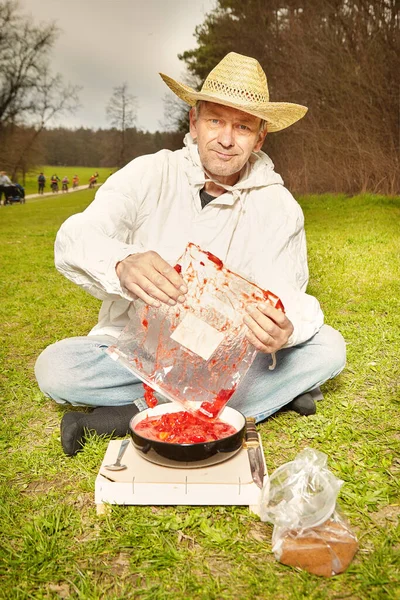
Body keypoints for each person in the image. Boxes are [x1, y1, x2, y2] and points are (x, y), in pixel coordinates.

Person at [35, 52, 346, 456]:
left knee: (328, 348)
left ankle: (120, 416)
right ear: (193, 122)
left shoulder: (278, 205)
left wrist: (282, 327)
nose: (227, 139)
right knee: (56, 367)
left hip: (225, 358)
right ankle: (269, 399)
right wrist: (120, 261)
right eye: (215, 120)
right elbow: (76, 235)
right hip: (141, 348)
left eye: (243, 126)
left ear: (261, 137)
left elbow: (288, 294)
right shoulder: (148, 173)